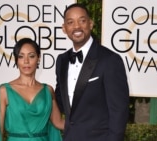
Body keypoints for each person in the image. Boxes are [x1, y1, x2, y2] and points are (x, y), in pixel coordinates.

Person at [55, 3, 129, 141]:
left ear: (90, 24)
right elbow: (59, 99)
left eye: (82, 21)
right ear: (64, 28)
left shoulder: (110, 60)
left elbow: (119, 110)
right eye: (70, 22)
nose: (76, 26)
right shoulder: (62, 60)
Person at [0, 38, 64, 141]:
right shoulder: (4, 91)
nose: (26, 61)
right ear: (16, 60)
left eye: (31, 56)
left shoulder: (48, 91)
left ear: (38, 58)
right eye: (21, 56)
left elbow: (58, 123)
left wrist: (86, 122)